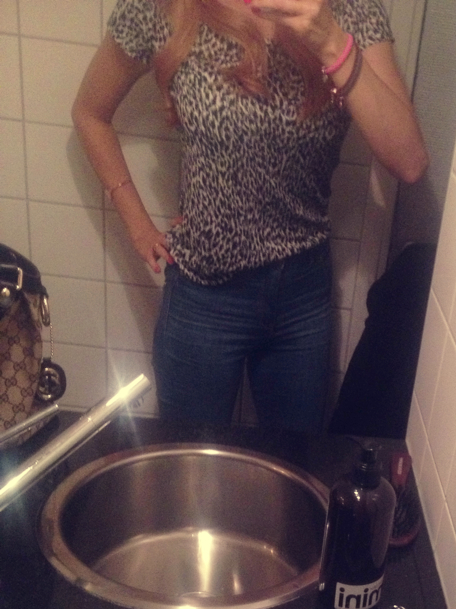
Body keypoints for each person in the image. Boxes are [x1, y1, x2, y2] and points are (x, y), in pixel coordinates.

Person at [72, 0, 428, 432]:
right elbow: (90, 113)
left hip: (302, 296)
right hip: (203, 292)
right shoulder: (165, 6)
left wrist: (332, 41)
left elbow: (409, 162)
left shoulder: (351, 10)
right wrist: (138, 227)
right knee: (190, 461)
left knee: (293, 462)